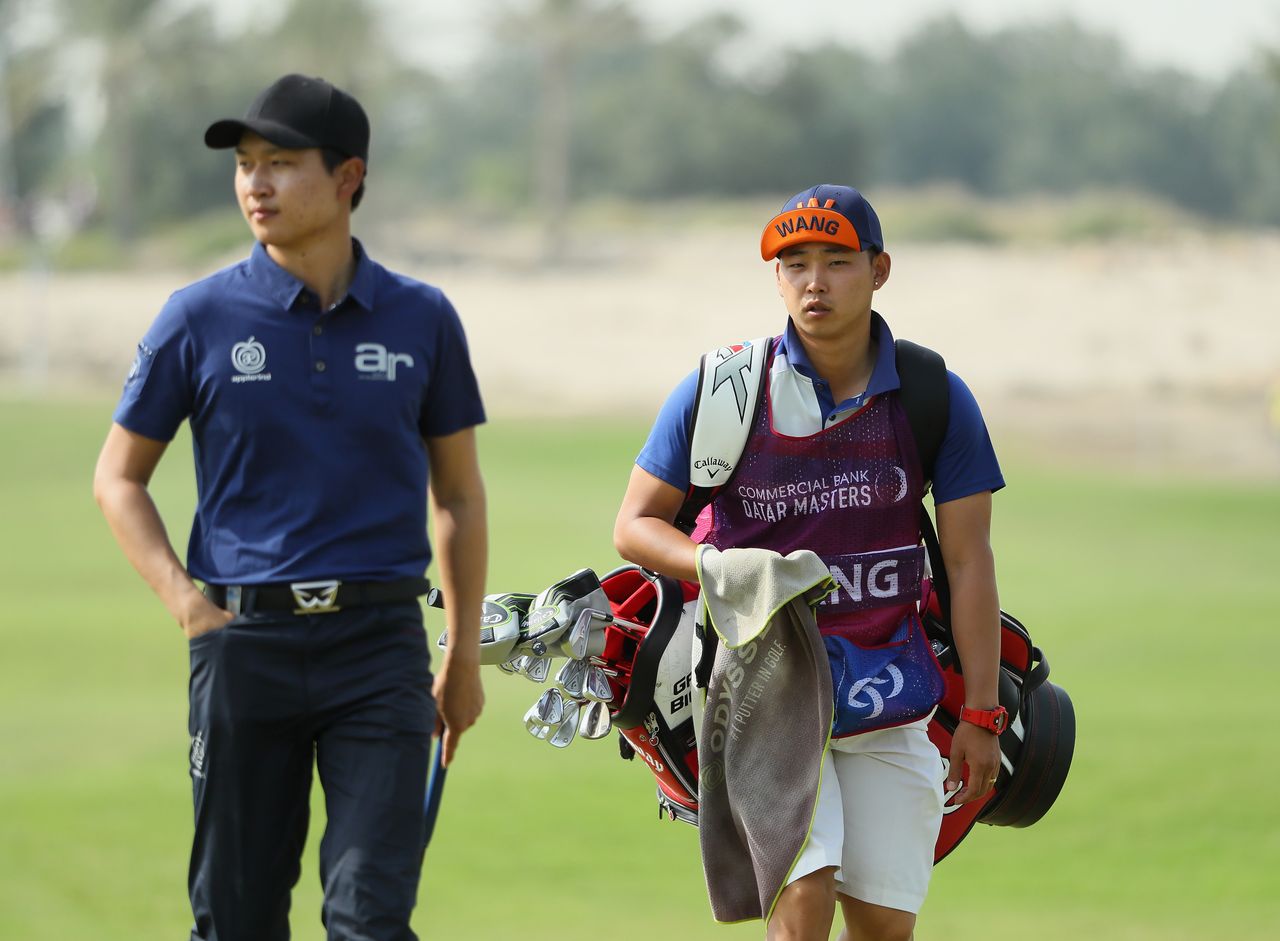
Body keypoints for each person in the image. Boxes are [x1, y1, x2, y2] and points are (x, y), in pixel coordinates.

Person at [92, 74, 488, 941]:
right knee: (235, 920)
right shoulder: (195, 317)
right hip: (243, 646)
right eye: (244, 165)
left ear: (348, 177)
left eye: (279, 163)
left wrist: (459, 654)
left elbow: (456, 491)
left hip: (379, 650)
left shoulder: (423, 318)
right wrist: (187, 605)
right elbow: (118, 477)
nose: (254, 185)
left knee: (368, 919)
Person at [614, 184, 1005, 941]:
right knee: (804, 905)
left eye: (836, 261)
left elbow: (970, 559)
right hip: (763, 688)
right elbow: (634, 525)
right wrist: (718, 567)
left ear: (879, 269)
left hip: (892, 693)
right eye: (794, 265)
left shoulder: (933, 395)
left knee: (886, 926)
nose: (814, 283)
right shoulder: (722, 389)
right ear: (777, 278)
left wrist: (983, 713)